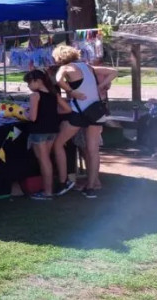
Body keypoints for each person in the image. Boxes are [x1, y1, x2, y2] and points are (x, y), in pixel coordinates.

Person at [52, 46, 117, 199]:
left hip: (79, 111)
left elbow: (58, 79)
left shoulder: (66, 67)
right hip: (96, 111)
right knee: (93, 150)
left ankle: (64, 181)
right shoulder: (88, 66)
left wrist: (70, 91)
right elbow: (114, 72)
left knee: (58, 144)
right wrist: (100, 86)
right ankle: (92, 186)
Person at [24, 70, 71, 200]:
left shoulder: (35, 95)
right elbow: (68, 109)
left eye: (29, 82)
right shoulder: (54, 95)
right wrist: (53, 114)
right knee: (46, 159)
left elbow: (32, 117)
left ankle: (47, 192)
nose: (28, 86)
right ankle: (47, 190)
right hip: (52, 130)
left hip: (39, 131)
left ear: (38, 81)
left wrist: (22, 114)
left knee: (44, 160)